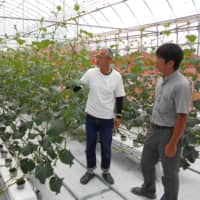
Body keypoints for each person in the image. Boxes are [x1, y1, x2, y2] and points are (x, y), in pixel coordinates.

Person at [131, 43, 191, 200]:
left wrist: (172, 143)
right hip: (154, 129)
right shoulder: (161, 80)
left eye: (158, 58)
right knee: (146, 162)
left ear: (170, 63)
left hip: (169, 133)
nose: (155, 61)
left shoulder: (181, 85)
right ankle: (149, 190)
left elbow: (182, 117)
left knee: (170, 172)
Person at [79, 48, 125, 185]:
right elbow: (79, 86)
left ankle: (106, 171)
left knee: (106, 146)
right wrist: (69, 87)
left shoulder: (117, 76)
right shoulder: (90, 73)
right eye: (97, 56)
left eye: (101, 56)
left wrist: (118, 116)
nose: (97, 59)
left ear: (109, 60)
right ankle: (90, 170)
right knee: (90, 145)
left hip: (107, 119)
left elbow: (120, 96)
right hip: (91, 117)